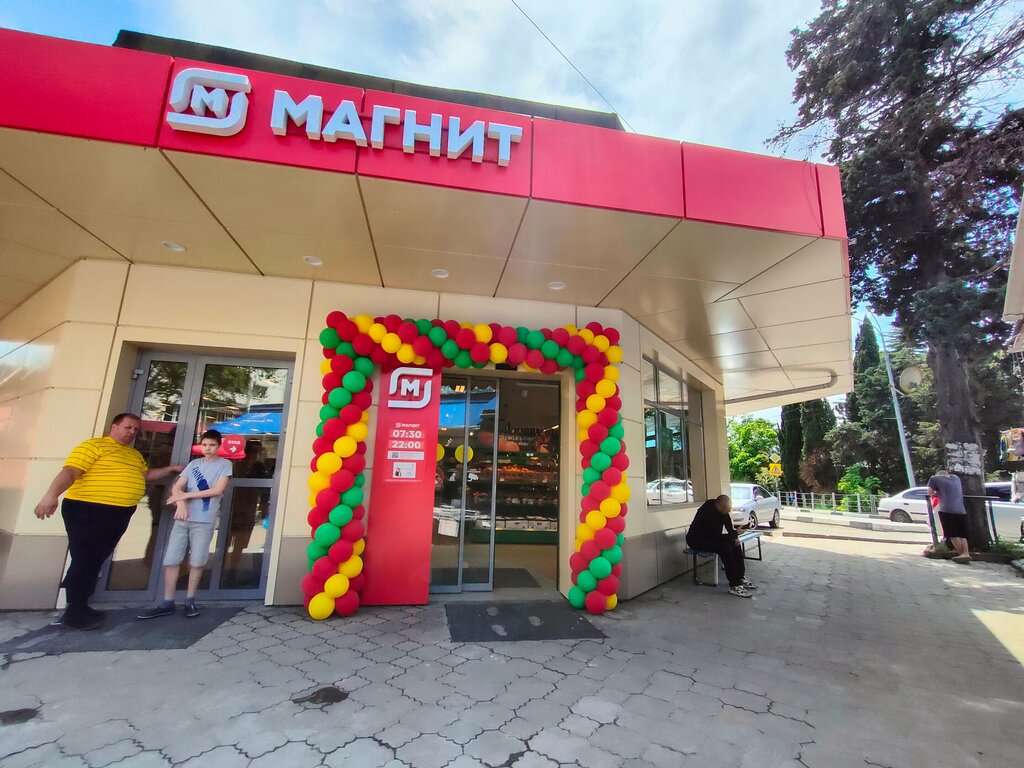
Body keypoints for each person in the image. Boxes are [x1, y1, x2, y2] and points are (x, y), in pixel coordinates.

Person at [34, 413, 184, 631]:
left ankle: (82, 606)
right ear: (114, 427)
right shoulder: (93, 446)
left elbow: (145, 475)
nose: (132, 432)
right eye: (127, 427)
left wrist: (169, 469)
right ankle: (74, 612)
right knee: (85, 559)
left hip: (118, 513)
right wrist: (51, 496)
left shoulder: (133, 454)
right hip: (88, 509)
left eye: (136, 429)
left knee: (95, 559)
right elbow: (71, 471)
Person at [138, 430, 232, 619]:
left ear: (218, 446)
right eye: (204, 445)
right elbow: (177, 487)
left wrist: (186, 496)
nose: (207, 448)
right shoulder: (194, 464)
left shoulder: (225, 465)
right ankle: (168, 601)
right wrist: (181, 502)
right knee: (172, 558)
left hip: (204, 519)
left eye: (212, 445)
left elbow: (217, 490)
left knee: (197, 560)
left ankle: (190, 600)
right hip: (182, 518)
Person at [686, 494, 757, 597]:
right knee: (725, 548)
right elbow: (715, 536)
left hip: (711, 537)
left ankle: (740, 577)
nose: (729, 512)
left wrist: (734, 537)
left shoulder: (721, 509)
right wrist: (735, 533)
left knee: (735, 545)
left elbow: (728, 525)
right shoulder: (707, 513)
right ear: (722, 507)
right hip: (697, 539)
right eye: (727, 510)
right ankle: (735, 585)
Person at [927, 469, 971, 564]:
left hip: (947, 510)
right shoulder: (956, 478)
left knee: (952, 534)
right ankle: (966, 553)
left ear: (938, 475)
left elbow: (930, 492)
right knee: (962, 534)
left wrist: (934, 494)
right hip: (961, 510)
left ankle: (961, 554)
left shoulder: (934, 478)